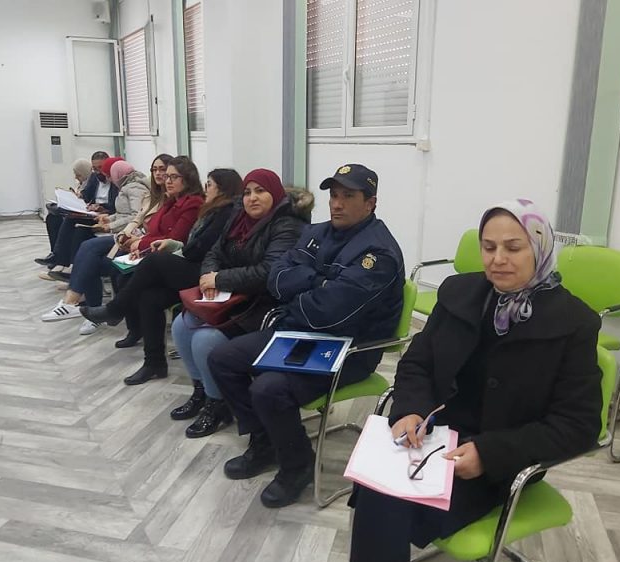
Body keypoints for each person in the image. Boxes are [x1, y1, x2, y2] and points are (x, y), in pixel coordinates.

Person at [346, 199, 603, 562]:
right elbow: (418, 362)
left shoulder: (574, 322)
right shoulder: (459, 293)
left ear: (540, 248)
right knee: (376, 488)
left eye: (513, 248)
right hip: (432, 440)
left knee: (385, 503)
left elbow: (579, 425)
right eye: (489, 247)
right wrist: (410, 409)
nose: (498, 259)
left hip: (502, 460)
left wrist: (489, 453)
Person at [208, 163, 405, 508]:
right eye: (334, 195)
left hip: (348, 349)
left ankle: (297, 465)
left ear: (371, 203)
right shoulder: (317, 231)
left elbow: (329, 312)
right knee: (222, 359)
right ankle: (266, 442)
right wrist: (319, 283)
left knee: (268, 388)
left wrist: (302, 287)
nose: (337, 203)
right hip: (299, 331)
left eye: (348, 196)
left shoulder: (379, 254)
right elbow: (276, 279)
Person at [167, 169, 314, 438]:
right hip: (234, 297)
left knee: (205, 340)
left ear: (275, 194)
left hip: (265, 305)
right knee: (181, 325)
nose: (252, 198)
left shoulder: (288, 225)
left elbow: (269, 272)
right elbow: (214, 252)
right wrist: (209, 277)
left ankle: (218, 404)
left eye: (260, 191)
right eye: (247, 192)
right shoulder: (238, 217)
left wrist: (220, 279)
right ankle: (202, 391)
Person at [79, 168, 242, 374]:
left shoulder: (223, 212)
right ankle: (154, 363)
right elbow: (187, 242)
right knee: (149, 297)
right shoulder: (207, 208)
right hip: (196, 264)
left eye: (210, 185)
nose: (206, 188)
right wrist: (170, 245)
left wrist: (172, 247)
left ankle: (115, 309)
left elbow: (200, 248)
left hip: (208, 274)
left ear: (223, 189)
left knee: (153, 261)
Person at [39, 159, 152, 331]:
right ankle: (90, 310)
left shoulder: (135, 188)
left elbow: (136, 218)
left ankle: (75, 301)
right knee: (88, 253)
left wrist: (110, 225)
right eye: (156, 170)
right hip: (128, 236)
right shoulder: (133, 188)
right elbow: (127, 214)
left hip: (136, 240)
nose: (107, 178)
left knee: (88, 248)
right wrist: (108, 219)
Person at [35, 151, 109, 268]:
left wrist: (102, 207)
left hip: (104, 215)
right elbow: (86, 195)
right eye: (94, 169)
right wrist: (78, 197)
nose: (98, 171)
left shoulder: (114, 180)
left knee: (72, 222)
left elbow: (116, 205)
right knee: (53, 217)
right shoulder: (95, 177)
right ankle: (58, 256)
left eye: (100, 167)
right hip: (91, 212)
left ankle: (60, 259)